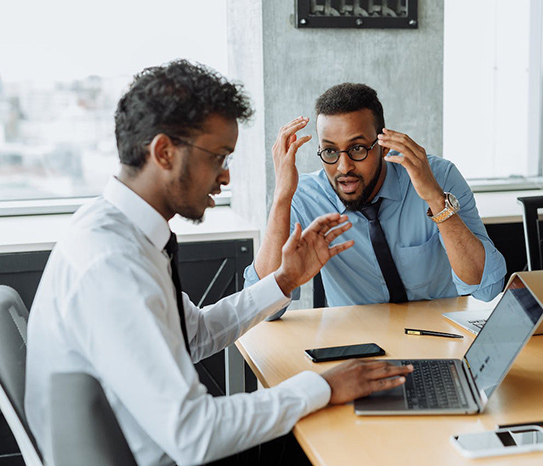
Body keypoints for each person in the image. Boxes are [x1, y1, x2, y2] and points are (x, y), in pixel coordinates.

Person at [25, 61, 412, 466]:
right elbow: (194, 435)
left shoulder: (119, 232)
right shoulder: (113, 263)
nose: (225, 177)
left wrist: (283, 280)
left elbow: (194, 336)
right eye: (218, 157)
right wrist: (322, 386)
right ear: (164, 152)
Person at [245, 83, 506, 315]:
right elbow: (261, 310)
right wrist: (281, 198)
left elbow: (487, 288)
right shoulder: (304, 196)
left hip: (439, 339)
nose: (343, 167)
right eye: (330, 151)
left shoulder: (438, 177)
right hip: (356, 349)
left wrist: (436, 200)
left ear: (382, 146)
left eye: (357, 148)